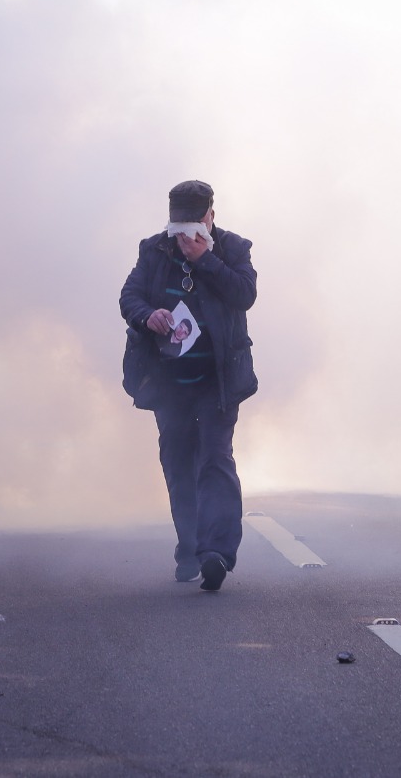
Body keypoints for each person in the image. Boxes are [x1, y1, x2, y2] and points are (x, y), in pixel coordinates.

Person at [119, 180, 258, 591]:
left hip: (217, 379)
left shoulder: (233, 249)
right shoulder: (153, 249)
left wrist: (206, 261)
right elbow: (129, 296)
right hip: (170, 382)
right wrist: (148, 315)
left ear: (210, 217)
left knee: (215, 459)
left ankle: (216, 553)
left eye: (194, 230)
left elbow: (245, 294)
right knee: (178, 462)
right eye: (178, 231)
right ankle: (190, 546)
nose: (184, 239)